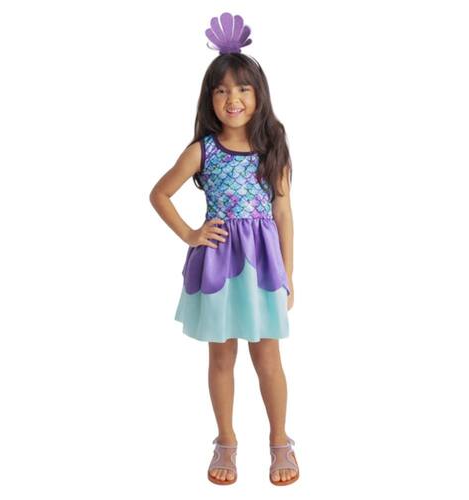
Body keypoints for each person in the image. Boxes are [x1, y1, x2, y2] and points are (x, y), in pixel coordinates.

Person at [149, 12, 299, 486]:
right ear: (209, 98)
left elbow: (282, 213)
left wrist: (288, 274)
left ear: (258, 95)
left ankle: (280, 440)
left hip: (261, 267)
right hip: (217, 265)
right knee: (220, 357)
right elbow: (160, 194)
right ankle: (226, 441)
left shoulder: (273, 145)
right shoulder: (203, 150)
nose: (232, 99)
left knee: (268, 358)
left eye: (242, 89)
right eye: (221, 90)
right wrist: (190, 233)